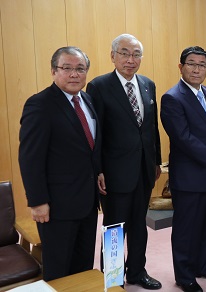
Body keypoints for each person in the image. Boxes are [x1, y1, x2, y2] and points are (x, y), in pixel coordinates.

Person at [86, 34, 162, 290]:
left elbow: (151, 128)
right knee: (115, 228)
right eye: (125, 53)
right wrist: (98, 170)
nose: (131, 60)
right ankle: (113, 278)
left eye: (136, 54)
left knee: (139, 225)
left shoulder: (148, 84)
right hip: (115, 173)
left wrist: (157, 162)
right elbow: (96, 133)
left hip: (143, 170)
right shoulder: (98, 86)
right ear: (113, 56)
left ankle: (138, 272)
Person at [19, 46, 101, 281]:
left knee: (83, 264)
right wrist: (37, 201)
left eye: (80, 69)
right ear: (54, 71)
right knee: (59, 269)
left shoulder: (86, 99)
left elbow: (89, 147)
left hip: (87, 201)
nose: (74, 74)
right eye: (67, 68)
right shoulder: (40, 105)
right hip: (56, 207)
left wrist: (99, 172)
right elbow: (30, 158)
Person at [160, 46, 206, 292]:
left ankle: (205, 266)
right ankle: (185, 276)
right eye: (191, 63)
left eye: (202, 65)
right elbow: (183, 137)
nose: (197, 69)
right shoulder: (172, 98)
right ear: (181, 67)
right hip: (190, 177)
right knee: (186, 229)